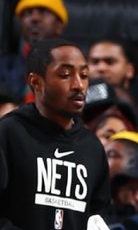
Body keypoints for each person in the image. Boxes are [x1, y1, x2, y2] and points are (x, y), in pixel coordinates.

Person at [0, 37, 111, 228]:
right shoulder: (9, 133)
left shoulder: (92, 148)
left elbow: (99, 216)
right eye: (66, 74)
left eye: (84, 75)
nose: (79, 85)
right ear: (36, 82)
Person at [0, 0, 68, 101]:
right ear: (19, 24)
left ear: (59, 26)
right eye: (28, 13)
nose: (34, 18)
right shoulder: (4, 67)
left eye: (43, 12)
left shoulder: (75, 66)